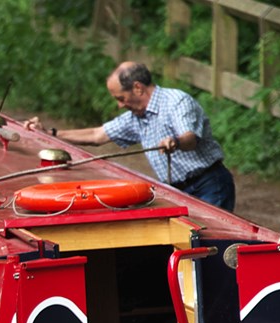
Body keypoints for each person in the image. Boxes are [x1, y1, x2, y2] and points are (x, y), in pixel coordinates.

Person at [25, 61, 236, 211]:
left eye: (121, 98)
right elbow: (97, 135)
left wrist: (175, 142)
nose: (119, 104)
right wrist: (51, 133)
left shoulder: (176, 102)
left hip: (209, 183)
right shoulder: (136, 116)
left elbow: (190, 139)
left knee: (211, 243)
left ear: (137, 88)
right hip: (176, 189)